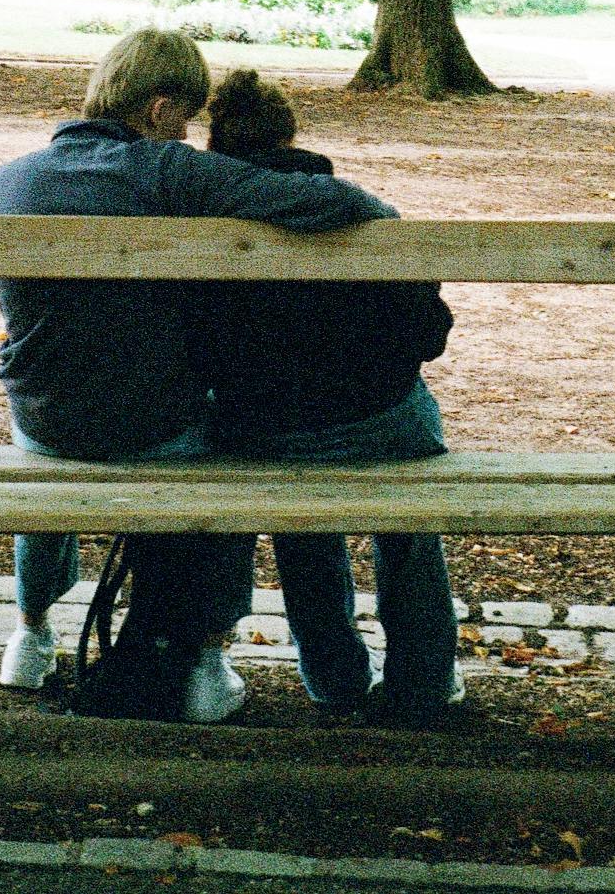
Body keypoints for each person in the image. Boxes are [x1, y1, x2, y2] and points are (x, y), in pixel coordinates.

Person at [0, 28, 395, 722]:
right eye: (186, 117)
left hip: (47, 421)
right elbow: (323, 199)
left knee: (43, 439)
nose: (188, 133)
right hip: (153, 428)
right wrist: (384, 220)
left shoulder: (7, 180)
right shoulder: (163, 171)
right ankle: (207, 659)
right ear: (157, 108)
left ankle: (27, 635)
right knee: (229, 446)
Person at [197, 68, 465, 727]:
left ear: (217, 142)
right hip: (379, 420)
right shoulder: (361, 208)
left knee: (304, 530)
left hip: (265, 427)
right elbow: (428, 334)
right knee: (407, 523)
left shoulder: (202, 218)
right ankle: (426, 674)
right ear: (289, 133)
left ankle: (333, 674)